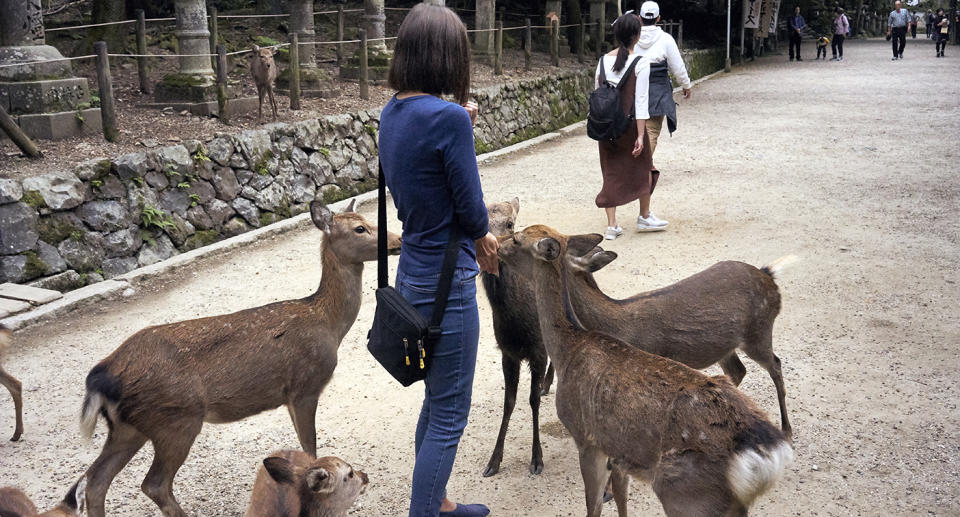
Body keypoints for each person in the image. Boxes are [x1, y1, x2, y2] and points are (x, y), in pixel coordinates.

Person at [378, 4, 498, 517]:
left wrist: (459, 121)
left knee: (436, 399)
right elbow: (472, 211)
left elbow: (422, 166)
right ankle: (425, 513)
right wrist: (485, 235)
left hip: (411, 281)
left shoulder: (391, 111)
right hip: (448, 287)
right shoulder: (449, 120)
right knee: (450, 413)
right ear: (448, 56)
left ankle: (440, 504)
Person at [594, 12, 656, 239]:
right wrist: (640, 136)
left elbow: (598, 95)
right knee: (644, 167)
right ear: (637, 36)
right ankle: (645, 215)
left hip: (605, 128)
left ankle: (612, 225)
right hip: (629, 127)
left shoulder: (602, 62)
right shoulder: (641, 63)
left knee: (610, 172)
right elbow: (641, 103)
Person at [632, 1, 693, 230]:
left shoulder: (632, 38)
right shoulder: (665, 39)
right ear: (658, 18)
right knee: (647, 151)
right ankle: (644, 213)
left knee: (637, 149)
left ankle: (635, 212)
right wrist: (686, 85)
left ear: (639, 17)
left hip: (634, 96)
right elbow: (677, 66)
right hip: (656, 98)